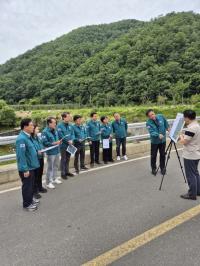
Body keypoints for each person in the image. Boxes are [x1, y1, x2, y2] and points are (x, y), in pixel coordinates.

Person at [16, 118, 40, 211]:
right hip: (27, 168)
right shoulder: (21, 139)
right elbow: (21, 156)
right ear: (25, 126)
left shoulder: (28, 137)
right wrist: (25, 169)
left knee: (31, 185)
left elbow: (30, 151)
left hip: (32, 166)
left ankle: (30, 199)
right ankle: (27, 204)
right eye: (31, 125)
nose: (33, 126)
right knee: (27, 186)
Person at [179, 110, 200, 200]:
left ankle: (192, 194)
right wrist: (185, 135)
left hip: (190, 155)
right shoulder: (197, 125)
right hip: (196, 153)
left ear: (187, 118)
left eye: (184, 117)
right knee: (195, 173)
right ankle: (198, 191)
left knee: (190, 175)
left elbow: (184, 142)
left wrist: (180, 135)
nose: (184, 119)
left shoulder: (191, 128)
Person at [146, 109, 170, 175]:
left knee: (162, 154)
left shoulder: (161, 116)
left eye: (153, 114)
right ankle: (153, 168)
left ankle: (162, 168)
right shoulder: (148, 123)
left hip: (163, 141)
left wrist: (169, 130)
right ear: (148, 117)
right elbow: (151, 132)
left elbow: (166, 124)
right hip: (155, 142)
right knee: (153, 155)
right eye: (150, 115)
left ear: (154, 113)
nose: (152, 116)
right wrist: (157, 135)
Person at [42, 117, 62, 189]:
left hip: (57, 151)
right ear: (49, 123)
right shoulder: (45, 132)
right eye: (53, 123)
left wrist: (59, 142)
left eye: (55, 123)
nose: (55, 124)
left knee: (56, 166)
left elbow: (57, 139)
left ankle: (54, 178)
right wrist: (53, 143)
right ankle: (48, 182)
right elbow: (44, 143)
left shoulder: (55, 130)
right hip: (50, 152)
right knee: (50, 167)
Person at [31, 124, 47, 199]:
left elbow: (41, 145)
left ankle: (40, 187)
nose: (38, 130)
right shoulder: (30, 138)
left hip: (41, 157)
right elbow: (31, 149)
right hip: (35, 159)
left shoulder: (37, 137)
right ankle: (35, 191)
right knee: (35, 175)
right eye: (37, 129)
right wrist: (37, 151)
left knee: (40, 174)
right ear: (33, 130)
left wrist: (43, 149)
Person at [57, 112, 75, 179]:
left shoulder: (70, 125)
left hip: (70, 145)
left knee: (68, 158)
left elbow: (73, 134)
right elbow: (61, 135)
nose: (70, 118)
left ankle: (67, 171)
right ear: (64, 117)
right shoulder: (59, 126)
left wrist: (72, 140)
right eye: (68, 117)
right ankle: (63, 173)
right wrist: (68, 141)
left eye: (70, 116)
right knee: (63, 159)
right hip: (63, 145)